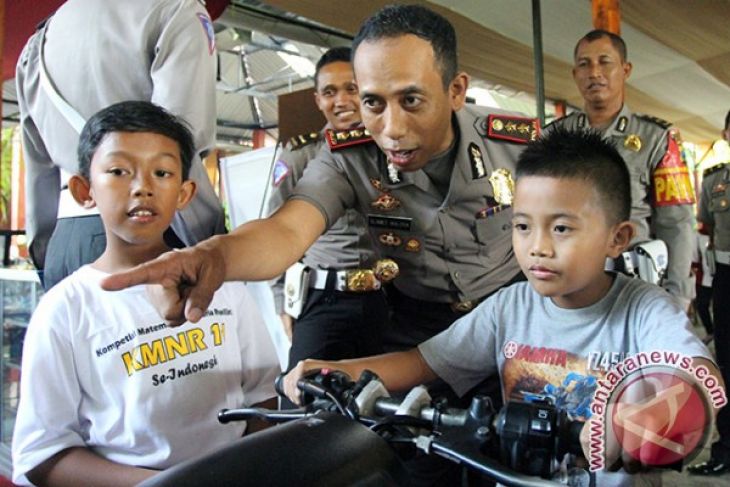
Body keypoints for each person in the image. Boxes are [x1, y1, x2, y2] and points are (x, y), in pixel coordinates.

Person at [282, 128, 722, 485]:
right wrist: (336, 371)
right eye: (523, 227)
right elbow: (422, 362)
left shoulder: (645, 311)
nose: (537, 248)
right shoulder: (510, 307)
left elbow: (699, 378)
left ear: (618, 238)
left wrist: (636, 424)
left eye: (562, 228)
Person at [102, 3, 536, 354]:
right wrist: (216, 256)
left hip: (518, 314)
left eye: (411, 99)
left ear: (456, 90)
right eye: (373, 103)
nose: (392, 128)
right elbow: (287, 228)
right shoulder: (347, 157)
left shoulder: (518, 145)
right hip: (418, 330)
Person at [11, 101, 280, 487]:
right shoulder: (64, 310)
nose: (143, 187)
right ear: (84, 190)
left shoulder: (220, 285)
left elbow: (263, 397)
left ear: (185, 193)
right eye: (119, 171)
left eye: (162, 172)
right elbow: (41, 455)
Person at [15, 0, 226, 290]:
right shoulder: (176, 10)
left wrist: (47, 254)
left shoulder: (38, 43)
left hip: (64, 241)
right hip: (151, 239)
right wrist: (214, 247)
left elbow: (39, 172)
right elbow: (177, 155)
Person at [546, 30, 695, 309]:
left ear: (625, 70)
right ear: (574, 74)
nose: (594, 72)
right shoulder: (554, 137)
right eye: (584, 64)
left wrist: (678, 295)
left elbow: (677, 223)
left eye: (605, 62)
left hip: (634, 285)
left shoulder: (657, 138)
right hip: (568, 283)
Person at [266, 47, 388, 368]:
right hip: (326, 299)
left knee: (394, 405)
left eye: (352, 88)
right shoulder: (299, 155)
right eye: (330, 92)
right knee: (302, 399)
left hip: (392, 299)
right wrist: (282, 301)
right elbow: (274, 230)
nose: (342, 101)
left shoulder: (395, 150)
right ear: (318, 100)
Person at [688, 110, 730, 475]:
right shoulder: (714, 181)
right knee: (727, 365)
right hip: (726, 278)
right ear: (726, 134)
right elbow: (708, 228)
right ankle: (725, 451)